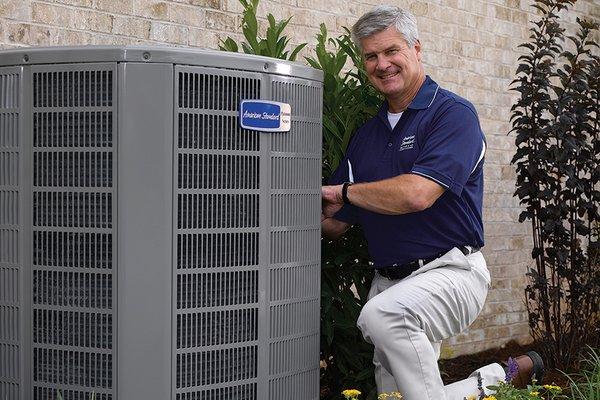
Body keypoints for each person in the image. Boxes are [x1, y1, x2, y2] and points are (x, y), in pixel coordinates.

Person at [321, 6, 544, 400]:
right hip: (390, 283)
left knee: (380, 316)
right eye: (371, 56)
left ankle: (498, 377)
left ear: (417, 48)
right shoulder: (367, 137)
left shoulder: (452, 115)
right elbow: (335, 221)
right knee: (395, 394)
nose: (382, 64)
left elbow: (416, 194)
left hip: (452, 273)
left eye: (391, 51)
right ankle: (497, 378)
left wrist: (344, 192)